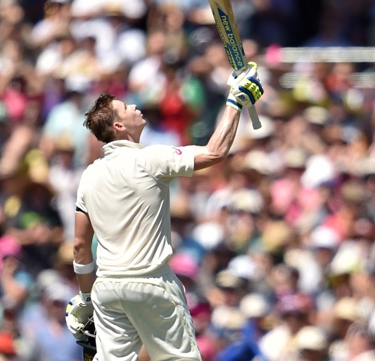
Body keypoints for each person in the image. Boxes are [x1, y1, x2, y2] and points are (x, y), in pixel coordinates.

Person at [65, 64, 264, 360]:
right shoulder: (151, 158)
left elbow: (81, 247)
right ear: (118, 126)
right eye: (125, 106)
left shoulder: (89, 176)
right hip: (152, 283)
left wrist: (85, 297)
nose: (134, 105)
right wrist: (235, 101)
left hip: (107, 290)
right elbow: (215, 152)